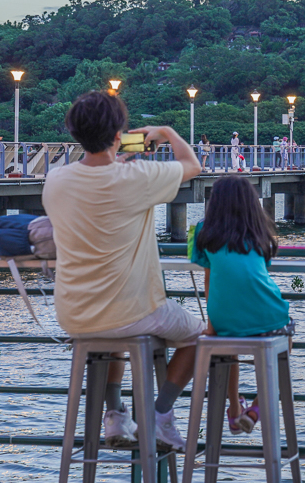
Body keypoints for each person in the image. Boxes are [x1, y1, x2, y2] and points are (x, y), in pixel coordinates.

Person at [42, 91, 203, 449]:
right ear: (119, 136)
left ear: (74, 133)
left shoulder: (55, 179)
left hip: (74, 315)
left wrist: (120, 161)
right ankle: (159, 416)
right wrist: (167, 132)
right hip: (134, 311)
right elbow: (192, 166)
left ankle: (114, 416)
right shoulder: (139, 177)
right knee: (200, 336)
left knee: (111, 332)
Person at [189, 175, 292, 435]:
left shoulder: (202, 230)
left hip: (223, 318)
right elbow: (258, 273)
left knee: (228, 345)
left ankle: (234, 410)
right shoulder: (260, 230)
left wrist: (213, 327)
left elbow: (209, 278)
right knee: (284, 341)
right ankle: (257, 407)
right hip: (268, 315)